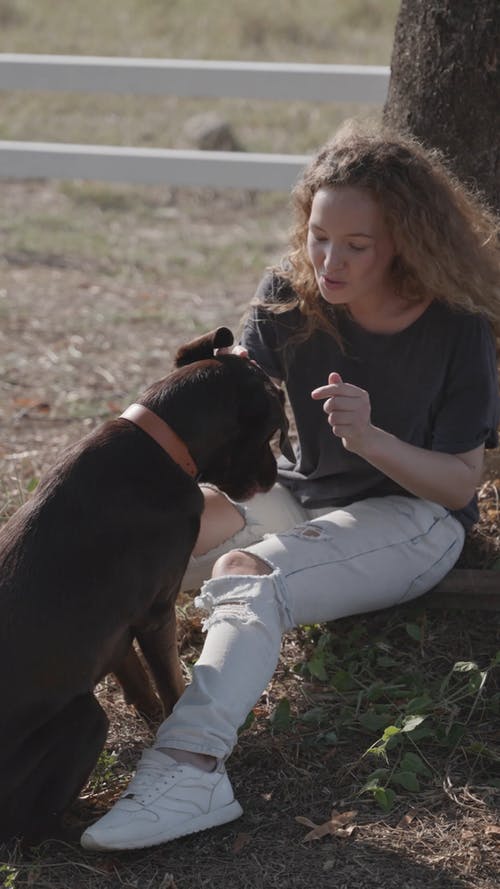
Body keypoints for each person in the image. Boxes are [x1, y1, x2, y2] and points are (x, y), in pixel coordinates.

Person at [81, 121, 500, 851]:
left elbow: (460, 480)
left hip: (414, 518)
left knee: (250, 570)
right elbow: (238, 394)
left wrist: (372, 439)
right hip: (298, 494)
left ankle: (189, 769)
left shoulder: (457, 326)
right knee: (125, 548)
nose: (329, 260)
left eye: (357, 246)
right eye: (318, 235)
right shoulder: (289, 294)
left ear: (405, 239)